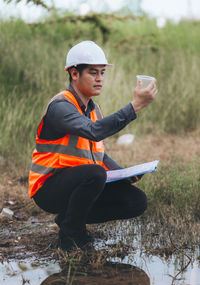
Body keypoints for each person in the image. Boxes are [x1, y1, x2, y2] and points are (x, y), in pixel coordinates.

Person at [29, 41, 158, 251]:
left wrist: (122, 172)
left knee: (136, 201)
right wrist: (135, 106)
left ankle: (69, 220)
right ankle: (72, 236)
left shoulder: (94, 108)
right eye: (92, 72)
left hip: (80, 183)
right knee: (95, 174)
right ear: (74, 74)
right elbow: (94, 131)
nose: (99, 79)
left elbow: (99, 153)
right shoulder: (61, 106)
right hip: (48, 189)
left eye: (102, 72)